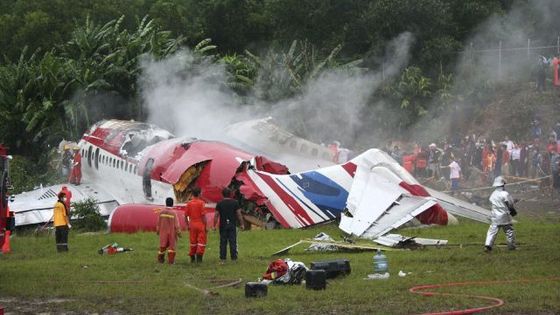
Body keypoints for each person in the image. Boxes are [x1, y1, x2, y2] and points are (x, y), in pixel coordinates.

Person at [484, 176, 517, 252]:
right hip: (504, 216)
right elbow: (510, 204)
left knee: (492, 231)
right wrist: (513, 211)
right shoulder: (505, 193)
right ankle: (511, 246)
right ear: (503, 184)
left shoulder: (493, 194)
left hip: (495, 216)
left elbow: (493, 203)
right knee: (509, 231)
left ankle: (488, 245)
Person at [213, 187, 244, 264]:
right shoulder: (235, 202)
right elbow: (239, 214)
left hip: (223, 225)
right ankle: (234, 259)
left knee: (223, 242)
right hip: (232, 225)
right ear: (230, 194)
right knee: (233, 241)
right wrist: (242, 224)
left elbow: (216, 215)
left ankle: (223, 259)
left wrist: (214, 225)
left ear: (222, 194)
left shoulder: (219, 203)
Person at [184, 187, 207, 263]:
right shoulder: (201, 203)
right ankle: (199, 257)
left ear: (192, 194)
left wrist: (187, 225)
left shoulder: (189, 203)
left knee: (193, 241)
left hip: (192, 224)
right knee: (201, 241)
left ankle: (192, 257)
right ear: (199, 194)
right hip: (200, 224)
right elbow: (203, 216)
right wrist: (205, 226)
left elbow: (186, 216)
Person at [156, 197, 181, 264]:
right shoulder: (173, 213)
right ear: (172, 204)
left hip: (163, 232)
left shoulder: (161, 212)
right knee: (171, 247)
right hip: (171, 233)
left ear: (166, 203)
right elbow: (176, 224)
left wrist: (158, 230)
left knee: (162, 246)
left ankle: (160, 260)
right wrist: (178, 232)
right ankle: (171, 261)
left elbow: (158, 222)